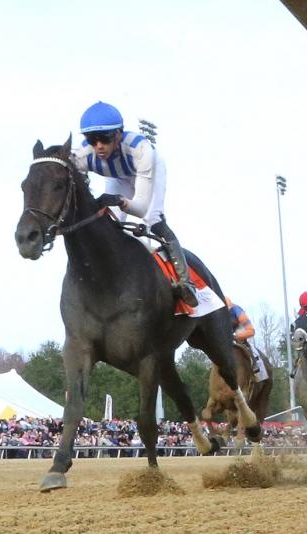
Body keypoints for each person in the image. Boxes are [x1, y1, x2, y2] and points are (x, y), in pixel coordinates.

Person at [72, 101, 197, 307]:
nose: (99, 146)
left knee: (152, 219)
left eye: (104, 138)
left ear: (119, 134)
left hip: (147, 172)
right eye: (92, 140)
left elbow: (139, 207)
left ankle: (186, 282)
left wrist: (120, 201)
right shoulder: (82, 155)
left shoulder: (141, 149)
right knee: (106, 223)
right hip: (117, 177)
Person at [226, 297, 261, 374]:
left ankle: (253, 363)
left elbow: (251, 331)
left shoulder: (238, 311)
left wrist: (235, 336)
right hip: (228, 329)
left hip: (240, 328)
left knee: (239, 333)